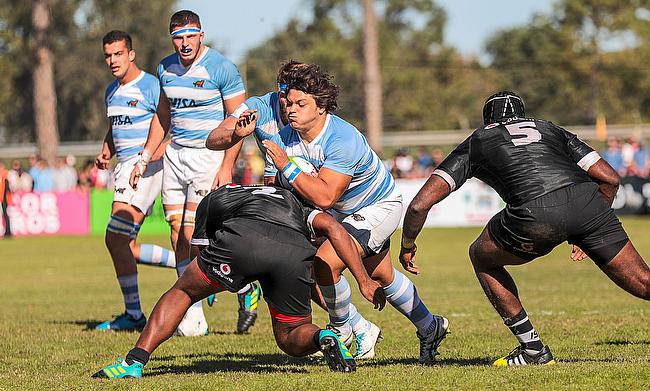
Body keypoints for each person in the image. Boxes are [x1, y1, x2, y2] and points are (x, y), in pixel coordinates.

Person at [400, 91, 650, 366]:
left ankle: (533, 349)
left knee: (481, 256)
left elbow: (418, 206)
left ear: (487, 120)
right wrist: (587, 228)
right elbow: (611, 179)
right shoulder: (549, 128)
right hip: (587, 204)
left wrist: (408, 245)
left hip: (535, 212)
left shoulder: (480, 138)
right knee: (642, 281)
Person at [239, 63, 448, 363]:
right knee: (382, 275)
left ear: (321, 107)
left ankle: (344, 332)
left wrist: (287, 165)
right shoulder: (286, 137)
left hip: (378, 206)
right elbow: (276, 186)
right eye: (288, 103)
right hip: (345, 213)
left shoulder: (341, 138)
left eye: (301, 104)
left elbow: (325, 196)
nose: (291, 110)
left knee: (324, 263)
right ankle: (430, 326)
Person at [92, 184, 386, 378]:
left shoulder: (217, 197)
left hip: (241, 243)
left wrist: (206, 286)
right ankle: (322, 337)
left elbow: (198, 249)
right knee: (290, 335)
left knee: (182, 291)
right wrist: (363, 280)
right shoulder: (295, 203)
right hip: (293, 253)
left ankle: (134, 362)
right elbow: (334, 228)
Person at [206, 61, 381, 358]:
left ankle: (354, 325)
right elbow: (215, 138)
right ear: (279, 90)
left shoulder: (311, 113)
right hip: (280, 199)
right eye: (288, 96)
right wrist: (234, 140)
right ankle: (353, 325)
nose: (291, 105)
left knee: (305, 266)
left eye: (299, 98)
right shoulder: (259, 107)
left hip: (306, 197)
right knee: (299, 268)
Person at [129, 10, 258, 336]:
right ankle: (200, 306)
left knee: (194, 235)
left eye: (190, 36)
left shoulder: (221, 68)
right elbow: (162, 116)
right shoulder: (164, 67)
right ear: (172, 38)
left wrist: (226, 166)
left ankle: (226, 295)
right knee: (176, 232)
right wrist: (144, 157)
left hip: (207, 158)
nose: (184, 43)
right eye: (178, 37)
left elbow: (238, 123)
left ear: (201, 34)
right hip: (175, 157)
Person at [94, 30, 178, 332]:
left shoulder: (150, 85)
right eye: (108, 55)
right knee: (123, 244)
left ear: (131, 54)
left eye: (118, 54)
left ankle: (133, 314)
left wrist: (150, 156)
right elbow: (115, 128)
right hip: (124, 166)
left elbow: (167, 122)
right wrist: (107, 149)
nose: (112, 60)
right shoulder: (112, 91)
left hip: (144, 167)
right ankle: (190, 267)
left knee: (115, 238)